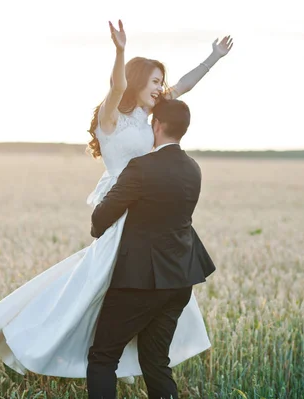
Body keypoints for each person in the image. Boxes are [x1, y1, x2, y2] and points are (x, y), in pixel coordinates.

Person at [0, 19, 232, 381]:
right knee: (92, 290)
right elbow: (116, 84)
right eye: (153, 81)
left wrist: (213, 57)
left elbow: (183, 85)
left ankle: (116, 355)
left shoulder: (149, 116)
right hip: (121, 208)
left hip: (142, 210)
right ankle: (52, 343)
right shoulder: (110, 119)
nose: (159, 88)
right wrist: (120, 51)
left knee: (117, 288)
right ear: (138, 82)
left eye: (160, 82)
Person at [87, 98, 215, 399]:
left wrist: (97, 230)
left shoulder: (142, 168)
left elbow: (104, 214)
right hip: (180, 279)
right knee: (156, 361)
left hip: (139, 281)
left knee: (103, 358)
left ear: (156, 125)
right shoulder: (192, 168)